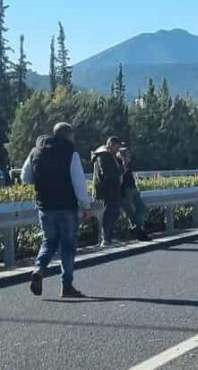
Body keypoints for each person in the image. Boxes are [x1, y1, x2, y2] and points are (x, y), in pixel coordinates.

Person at [20, 122, 92, 298]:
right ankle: (66, 286)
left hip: (45, 207)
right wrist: (86, 205)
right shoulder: (70, 154)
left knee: (49, 241)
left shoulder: (35, 152)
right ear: (68, 136)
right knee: (67, 247)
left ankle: (39, 269)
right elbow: (78, 183)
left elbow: (25, 177)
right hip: (66, 207)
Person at [91, 136, 123, 247]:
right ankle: (106, 239)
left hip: (113, 188)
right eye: (117, 146)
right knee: (109, 213)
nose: (118, 149)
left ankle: (110, 236)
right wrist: (117, 175)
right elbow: (106, 173)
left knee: (114, 212)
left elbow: (119, 170)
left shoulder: (111, 156)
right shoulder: (103, 155)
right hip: (107, 189)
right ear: (111, 145)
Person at [118, 145, 151, 241]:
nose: (129, 157)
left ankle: (136, 228)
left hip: (133, 188)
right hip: (126, 190)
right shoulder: (119, 163)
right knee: (131, 212)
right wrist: (124, 164)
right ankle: (139, 231)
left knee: (141, 207)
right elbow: (120, 177)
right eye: (127, 155)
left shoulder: (129, 164)